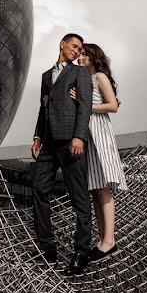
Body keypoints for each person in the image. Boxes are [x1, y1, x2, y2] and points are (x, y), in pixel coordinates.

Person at [31, 32, 94, 276]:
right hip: (48, 143)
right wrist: (37, 136)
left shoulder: (80, 73)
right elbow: (42, 108)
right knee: (38, 187)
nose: (77, 51)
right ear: (62, 44)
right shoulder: (46, 76)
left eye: (80, 49)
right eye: (74, 46)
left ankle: (81, 251)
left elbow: (85, 106)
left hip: (71, 141)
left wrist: (79, 136)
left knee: (79, 197)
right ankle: (47, 248)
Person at [73, 43, 127, 262]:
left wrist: (85, 105)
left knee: (103, 189)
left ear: (94, 57)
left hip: (100, 134)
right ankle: (103, 239)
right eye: (80, 54)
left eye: (84, 54)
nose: (80, 57)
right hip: (86, 135)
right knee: (95, 189)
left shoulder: (100, 78)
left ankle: (109, 241)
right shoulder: (82, 80)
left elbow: (113, 106)